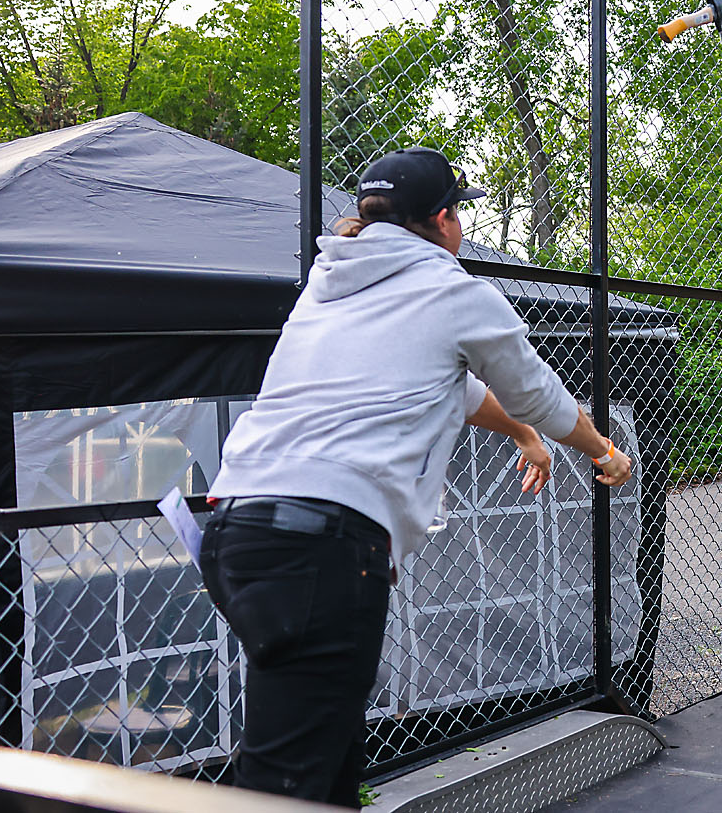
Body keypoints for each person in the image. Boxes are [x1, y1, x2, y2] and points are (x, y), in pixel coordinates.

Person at [200, 146, 632, 807]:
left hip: (240, 528)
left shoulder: (331, 283)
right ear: (443, 219)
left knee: (328, 755)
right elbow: (538, 394)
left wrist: (521, 436)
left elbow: (451, 387)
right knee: (287, 784)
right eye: (458, 211)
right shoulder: (453, 292)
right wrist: (603, 448)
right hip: (319, 546)